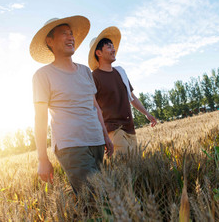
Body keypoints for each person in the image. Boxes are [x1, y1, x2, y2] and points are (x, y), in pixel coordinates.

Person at [30, 16, 113, 194]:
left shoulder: (84, 71)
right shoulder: (42, 75)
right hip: (71, 146)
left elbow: (95, 106)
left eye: (71, 34)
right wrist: (42, 159)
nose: (70, 37)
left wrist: (105, 136)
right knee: (96, 197)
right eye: (64, 34)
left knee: (100, 198)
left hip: (96, 141)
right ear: (49, 41)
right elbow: (40, 117)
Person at [88, 26, 157, 154]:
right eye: (109, 47)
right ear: (99, 53)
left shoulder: (120, 72)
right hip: (112, 130)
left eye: (113, 46)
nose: (113, 49)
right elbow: (92, 107)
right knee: (124, 165)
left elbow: (131, 97)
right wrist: (101, 135)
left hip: (130, 128)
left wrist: (146, 113)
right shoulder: (94, 77)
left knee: (135, 166)